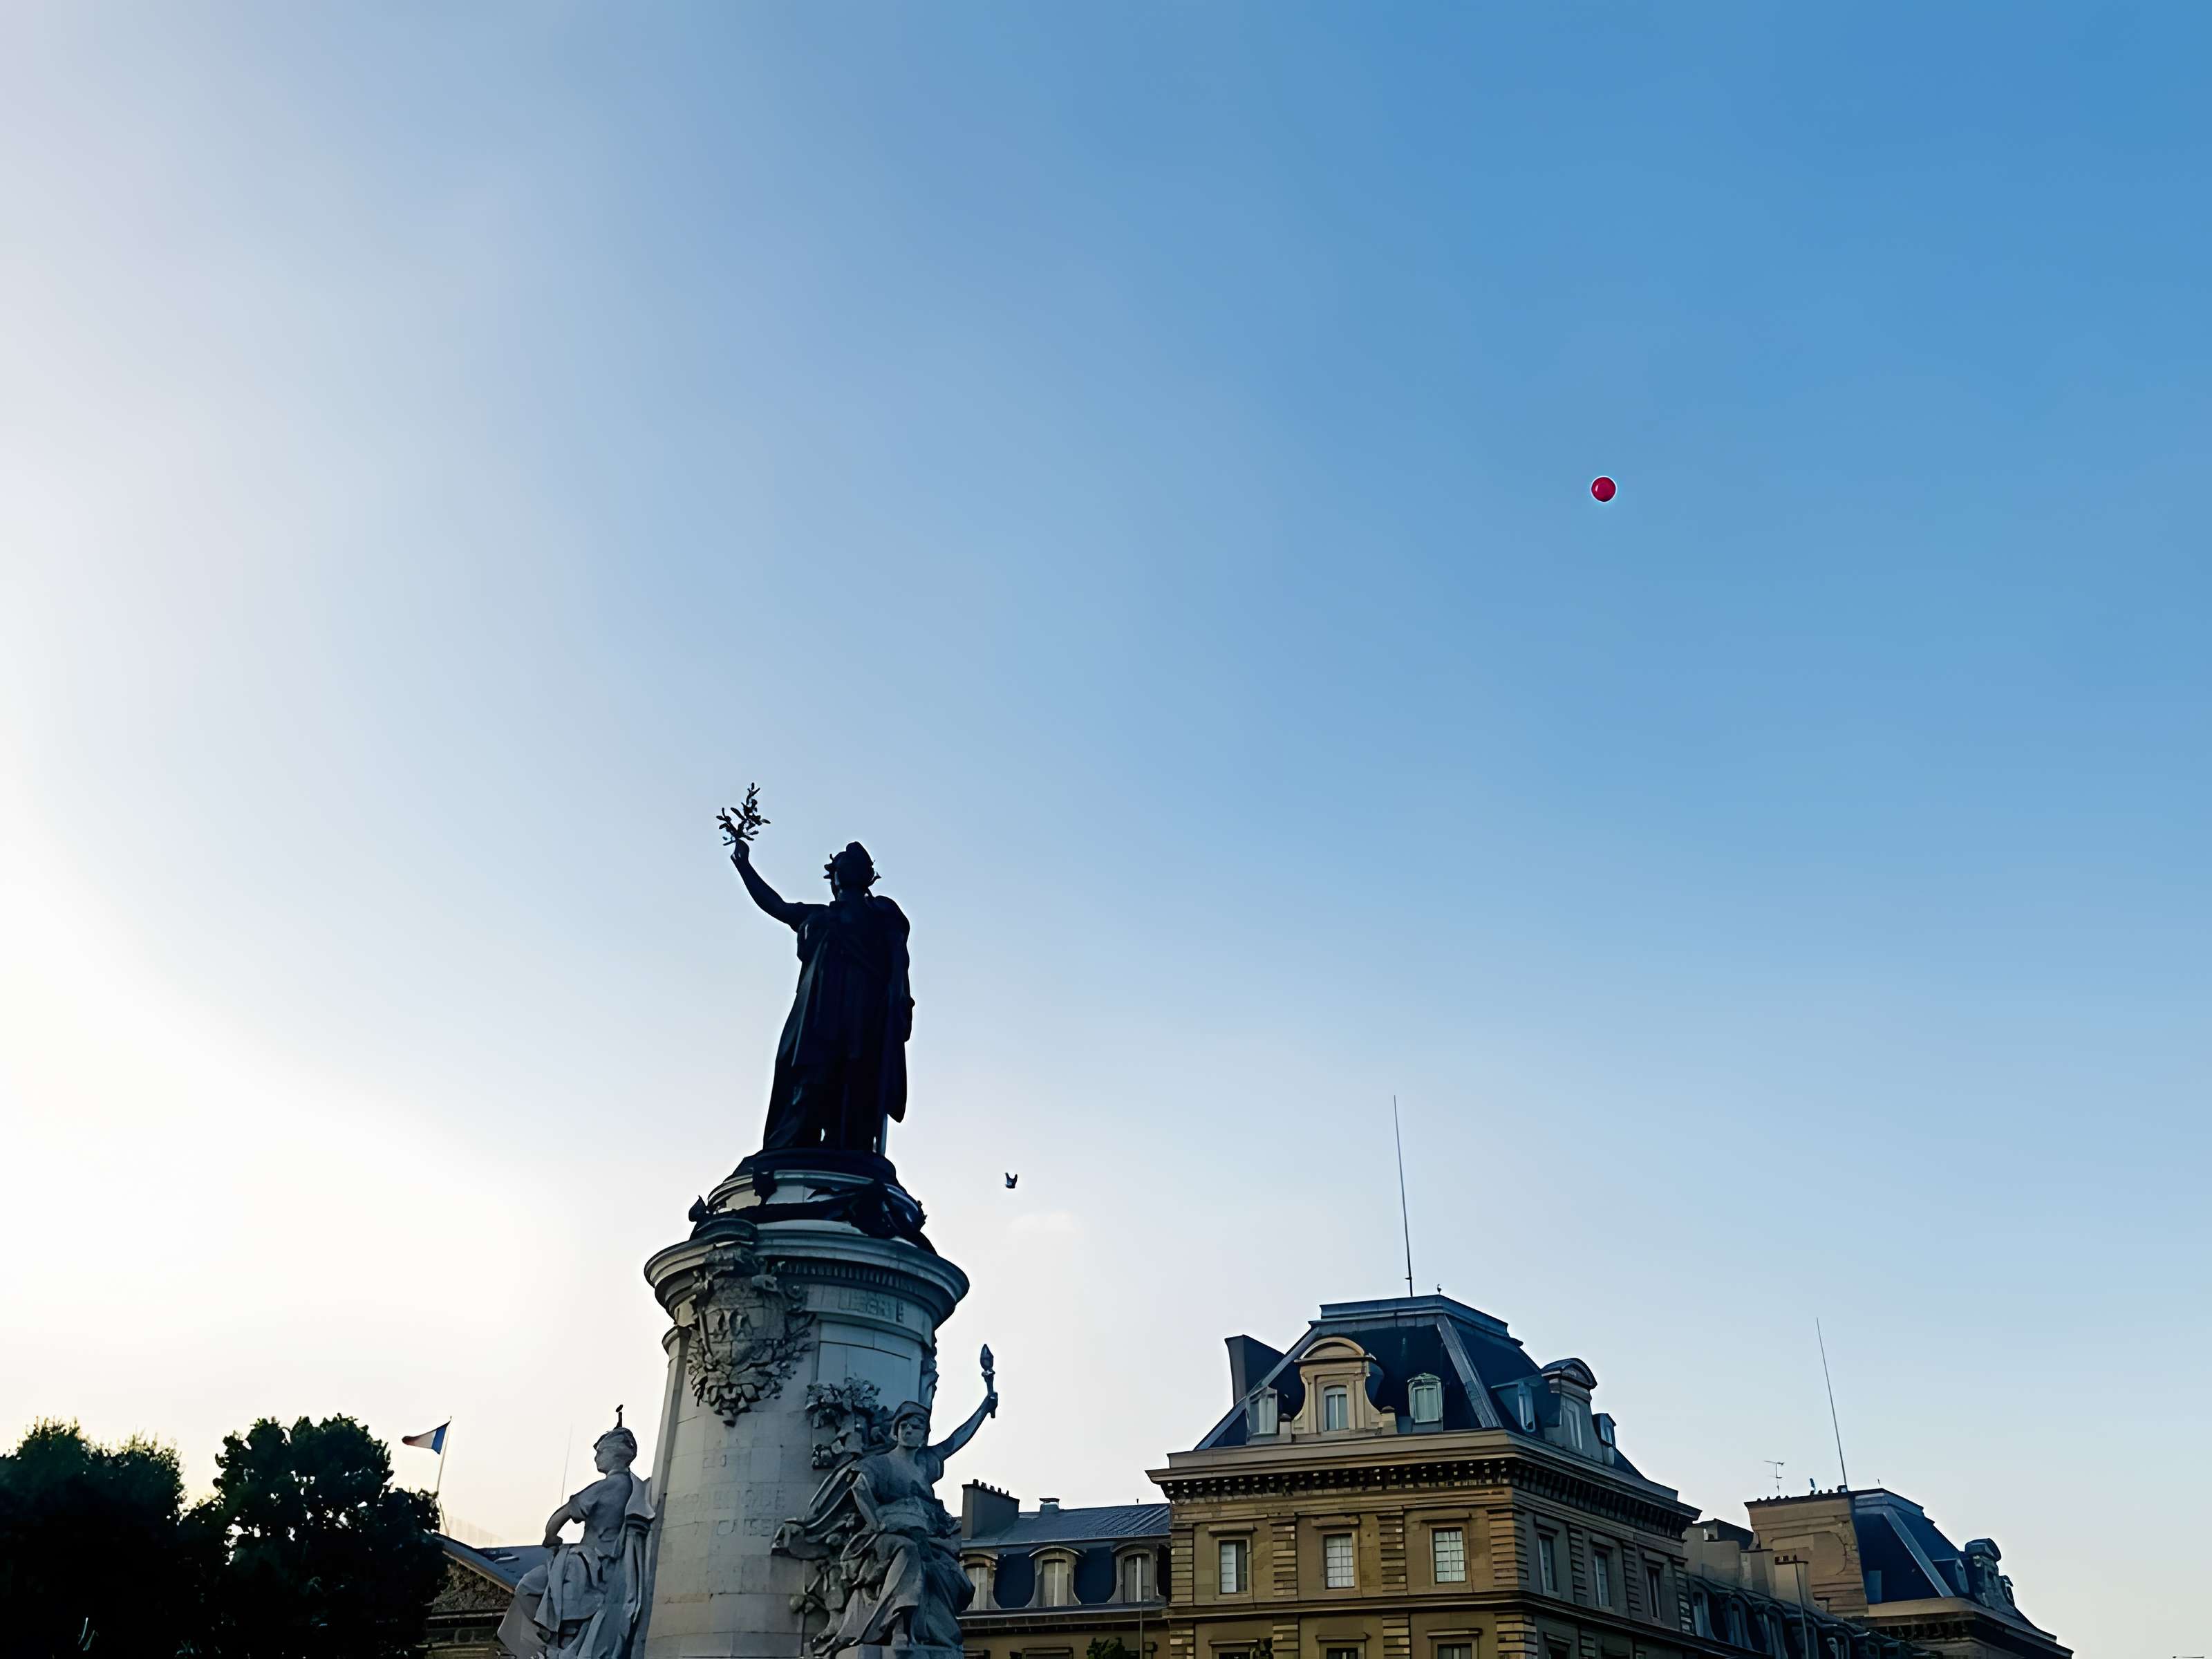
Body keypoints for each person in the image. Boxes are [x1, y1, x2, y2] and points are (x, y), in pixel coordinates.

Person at [730, 838, 913, 1155]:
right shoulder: (819, 917)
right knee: (808, 1081)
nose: (847, 868)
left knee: (855, 1080)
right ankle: (798, 1143)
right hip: (816, 1016)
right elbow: (776, 905)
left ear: (867, 876)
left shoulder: (883, 914)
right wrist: (743, 865)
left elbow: (898, 964)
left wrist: (899, 1005)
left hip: (861, 1012)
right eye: (842, 863)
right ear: (835, 876)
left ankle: (847, 1147)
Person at [782, 1387, 995, 1656]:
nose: (909, 1431)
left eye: (916, 1427)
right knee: (908, 1553)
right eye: (904, 1426)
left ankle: (936, 1633)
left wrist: (985, 1407)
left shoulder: (927, 1463)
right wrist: (876, 1524)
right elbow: (859, 1489)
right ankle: (899, 1628)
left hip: (925, 1535)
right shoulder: (881, 1464)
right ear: (896, 1431)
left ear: (923, 1434)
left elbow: (956, 1440)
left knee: (949, 1575)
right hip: (885, 1536)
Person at [498, 1416, 655, 1659]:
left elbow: (560, 1516)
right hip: (605, 1568)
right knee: (568, 1615)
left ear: (614, 1453)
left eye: (600, 1451)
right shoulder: (632, 1487)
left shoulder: (608, 1486)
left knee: (528, 1589)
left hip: (585, 1565)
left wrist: (551, 1537)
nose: (596, 1457)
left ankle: (553, 1647)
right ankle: (560, 1646)